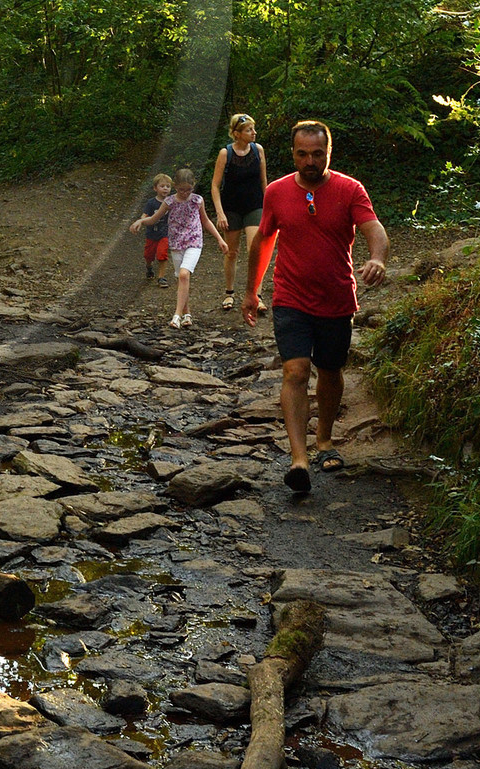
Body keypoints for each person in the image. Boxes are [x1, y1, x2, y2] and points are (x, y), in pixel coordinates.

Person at [244, 118, 390, 497]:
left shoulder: (349, 189)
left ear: (329, 153)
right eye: (302, 154)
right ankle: (299, 459)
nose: (310, 161)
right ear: (293, 154)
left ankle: (324, 439)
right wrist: (251, 291)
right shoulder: (277, 192)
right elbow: (263, 241)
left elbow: (374, 229)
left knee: (330, 371)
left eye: (317, 154)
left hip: (336, 299)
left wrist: (377, 258)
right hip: (290, 297)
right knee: (295, 371)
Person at [131, 164, 221, 329]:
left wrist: (220, 239)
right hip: (176, 243)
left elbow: (206, 221)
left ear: (193, 186)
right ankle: (187, 314)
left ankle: (177, 315)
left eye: (188, 189)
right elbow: (154, 219)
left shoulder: (197, 200)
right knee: (181, 278)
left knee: (184, 274)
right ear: (175, 187)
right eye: (181, 190)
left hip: (194, 241)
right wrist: (140, 221)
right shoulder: (170, 202)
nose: (185, 193)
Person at [211, 114, 267, 313]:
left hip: (255, 206)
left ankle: (256, 295)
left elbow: (263, 181)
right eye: (249, 130)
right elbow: (215, 186)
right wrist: (220, 213)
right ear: (237, 133)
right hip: (231, 208)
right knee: (231, 252)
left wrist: (269, 206)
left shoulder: (258, 150)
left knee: (255, 250)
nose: (254, 133)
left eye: (253, 129)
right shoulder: (225, 153)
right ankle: (229, 293)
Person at [135, 171, 174, 284]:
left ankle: (161, 277)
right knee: (148, 255)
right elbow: (144, 215)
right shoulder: (151, 203)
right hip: (152, 233)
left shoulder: (172, 202)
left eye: (168, 186)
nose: (165, 188)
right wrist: (141, 221)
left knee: (162, 253)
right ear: (155, 188)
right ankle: (149, 267)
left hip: (165, 233)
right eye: (162, 186)